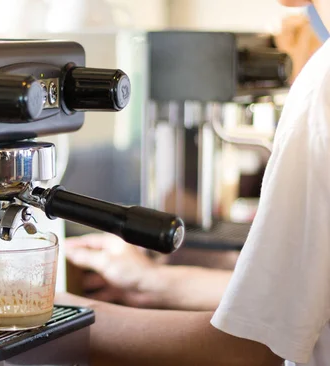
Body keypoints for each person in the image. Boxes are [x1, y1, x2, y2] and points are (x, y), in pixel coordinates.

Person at [56, 1, 330, 365]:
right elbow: (296, 300)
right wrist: (153, 282)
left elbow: (251, 351)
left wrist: (54, 318)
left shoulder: (322, 85)